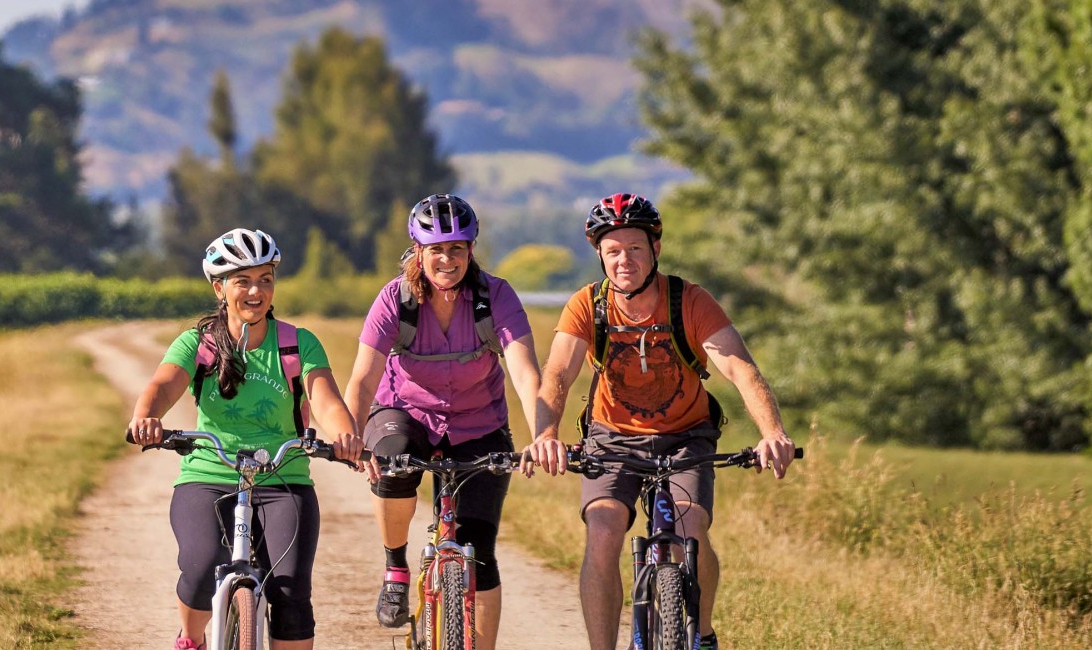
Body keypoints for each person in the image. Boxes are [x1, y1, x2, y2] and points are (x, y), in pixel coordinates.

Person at [520, 193, 797, 650]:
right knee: (604, 534)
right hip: (612, 441)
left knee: (691, 530)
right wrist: (546, 434)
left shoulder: (689, 302)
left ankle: (703, 633)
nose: (623, 260)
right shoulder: (588, 305)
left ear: (656, 250)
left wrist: (773, 433)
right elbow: (557, 375)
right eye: (612, 251)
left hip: (686, 438)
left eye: (634, 248)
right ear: (600, 255)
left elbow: (740, 369)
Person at [126, 228, 363, 650]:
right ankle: (192, 638)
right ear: (219, 287)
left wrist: (344, 433)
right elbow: (165, 384)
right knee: (201, 567)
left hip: (283, 479)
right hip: (208, 474)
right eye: (243, 280)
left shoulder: (296, 344)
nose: (256, 290)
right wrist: (147, 416)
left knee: (290, 595)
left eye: (265, 279)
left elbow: (324, 397)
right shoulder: (198, 343)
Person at [340, 194, 540, 647]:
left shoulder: (496, 296)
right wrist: (352, 436)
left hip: (479, 422)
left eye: (457, 249)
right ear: (418, 251)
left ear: (471, 250)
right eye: (436, 250)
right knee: (392, 465)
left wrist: (542, 434)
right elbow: (363, 378)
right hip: (404, 413)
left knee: (480, 554)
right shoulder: (397, 299)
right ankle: (395, 566)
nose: (446, 259)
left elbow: (525, 372)